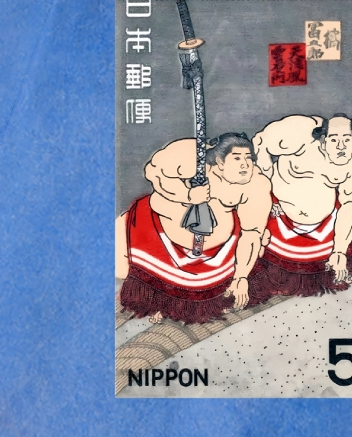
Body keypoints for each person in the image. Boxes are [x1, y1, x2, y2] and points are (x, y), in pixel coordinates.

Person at [116, 134, 272, 323]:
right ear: (219, 162)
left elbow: (252, 233)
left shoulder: (257, 184)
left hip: (218, 245)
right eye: (237, 158)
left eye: (248, 158)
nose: (245, 165)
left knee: (260, 241)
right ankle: (157, 302)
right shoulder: (193, 157)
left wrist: (241, 277)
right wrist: (188, 195)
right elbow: (154, 171)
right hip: (166, 232)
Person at [249, 114, 352, 299]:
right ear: (323, 142)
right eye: (334, 139)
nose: (341, 146)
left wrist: (339, 251)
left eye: (347, 139)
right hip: (278, 217)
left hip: (326, 225)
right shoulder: (299, 133)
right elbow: (260, 142)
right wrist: (267, 187)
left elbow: (351, 205)